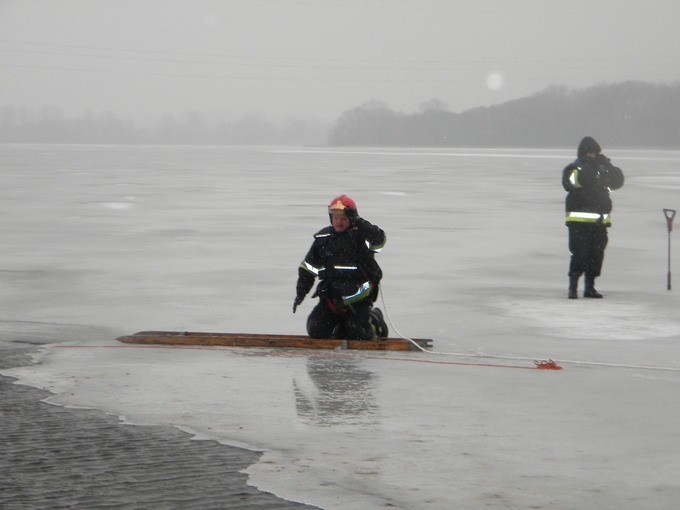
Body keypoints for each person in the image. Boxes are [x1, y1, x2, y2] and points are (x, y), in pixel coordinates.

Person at [293, 194, 389, 339]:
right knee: (316, 330)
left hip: (358, 298)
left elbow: (380, 240)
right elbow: (308, 268)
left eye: (343, 219)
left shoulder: (363, 236)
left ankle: (375, 319)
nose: (339, 222)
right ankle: (340, 327)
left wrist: (360, 222)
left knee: (359, 335)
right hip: (331, 298)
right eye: (336, 218)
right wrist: (301, 293)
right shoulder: (323, 238)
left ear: (352, 219)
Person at [562, 136, 624, 299]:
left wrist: (608, 167)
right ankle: (573, 287)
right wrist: (593, 168)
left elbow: (618, 181)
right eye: (589, 153)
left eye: (594, 153)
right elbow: (572, 183)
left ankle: (590, 287)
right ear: (582, 153)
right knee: (579, 253)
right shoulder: (574, 168)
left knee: (596, 254)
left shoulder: (602, 168)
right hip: (579, 221)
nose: (592, 155)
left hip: (600, 221)